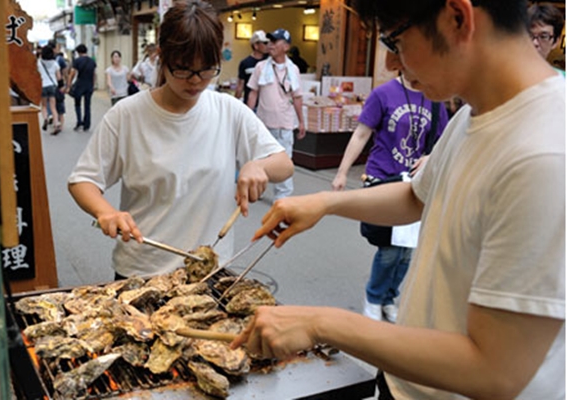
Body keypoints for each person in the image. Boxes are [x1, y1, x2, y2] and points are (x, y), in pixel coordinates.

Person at [232, 1, 565, 399]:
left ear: (457, 18)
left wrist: (321, 323)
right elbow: (417, 195)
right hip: (412, 381)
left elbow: (497, 370)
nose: (391, 63)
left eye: (397, 41)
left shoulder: (546, 152)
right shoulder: (472, 114)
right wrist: (325, 202)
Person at [67, 0, 293, 279]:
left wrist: (259, 166)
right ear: (162, 56)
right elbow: (83, 180)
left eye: (207, 69)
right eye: (184, 69)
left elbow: (284, 164)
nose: (196, 81)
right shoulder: (126, 115)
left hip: (209, 274)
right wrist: (106, 212)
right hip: (141, 273)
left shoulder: (229, 111)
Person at [331, 75, 448, 322]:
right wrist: (342, 172)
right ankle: (374, 297)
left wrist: (431, 158)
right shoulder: (383, 93)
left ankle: (389, 297)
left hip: (417, 183)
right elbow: (361, 134)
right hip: (383, 179)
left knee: (407, 250)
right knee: (389, 249)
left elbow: (444, 142)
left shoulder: (436, 98)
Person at [247, 28, 306, 200]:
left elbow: (297, 97)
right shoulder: (260, 67)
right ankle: (256, 190)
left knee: (285, 162)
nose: (270, 45)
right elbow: (253, 93)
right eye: (269, 41)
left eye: (275, 41)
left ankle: (283, 199)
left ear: (286, 47)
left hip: (285, 125)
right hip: (264, 123)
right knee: (259, 160)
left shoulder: (293, 69)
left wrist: (301, 122)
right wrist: (249, 116)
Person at [528, 4, 565, 77]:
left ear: (555, 42)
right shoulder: (504, 77)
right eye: (529, 35)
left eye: (543, 36)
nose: (535, 43)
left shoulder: (562, 81)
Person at [66, 44, 97, 132]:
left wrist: (69, 85)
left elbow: (72, 74)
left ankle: (79, 121)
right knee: (87, 105)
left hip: (80, 85)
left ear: (78, 52)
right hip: (89, 85)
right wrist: (93, 85)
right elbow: (94, 74)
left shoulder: (77, 61)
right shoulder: (92, 61)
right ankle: (87, 124)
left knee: (77, 104)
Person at [234, 30, 269, 104]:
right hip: (250, 104)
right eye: (265, 43)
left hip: (266, 105)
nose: (267, 45)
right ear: (256, 45)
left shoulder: (270, 61)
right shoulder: (245, 63)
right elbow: (240, 85)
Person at [37, 45, 61, 135]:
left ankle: (46, 118)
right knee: (53, 107)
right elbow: (59, 77)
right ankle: (56, 124)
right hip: (52, 86)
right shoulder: (55, 63)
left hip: (42, 85)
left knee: (44, 106)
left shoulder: (39, 63)